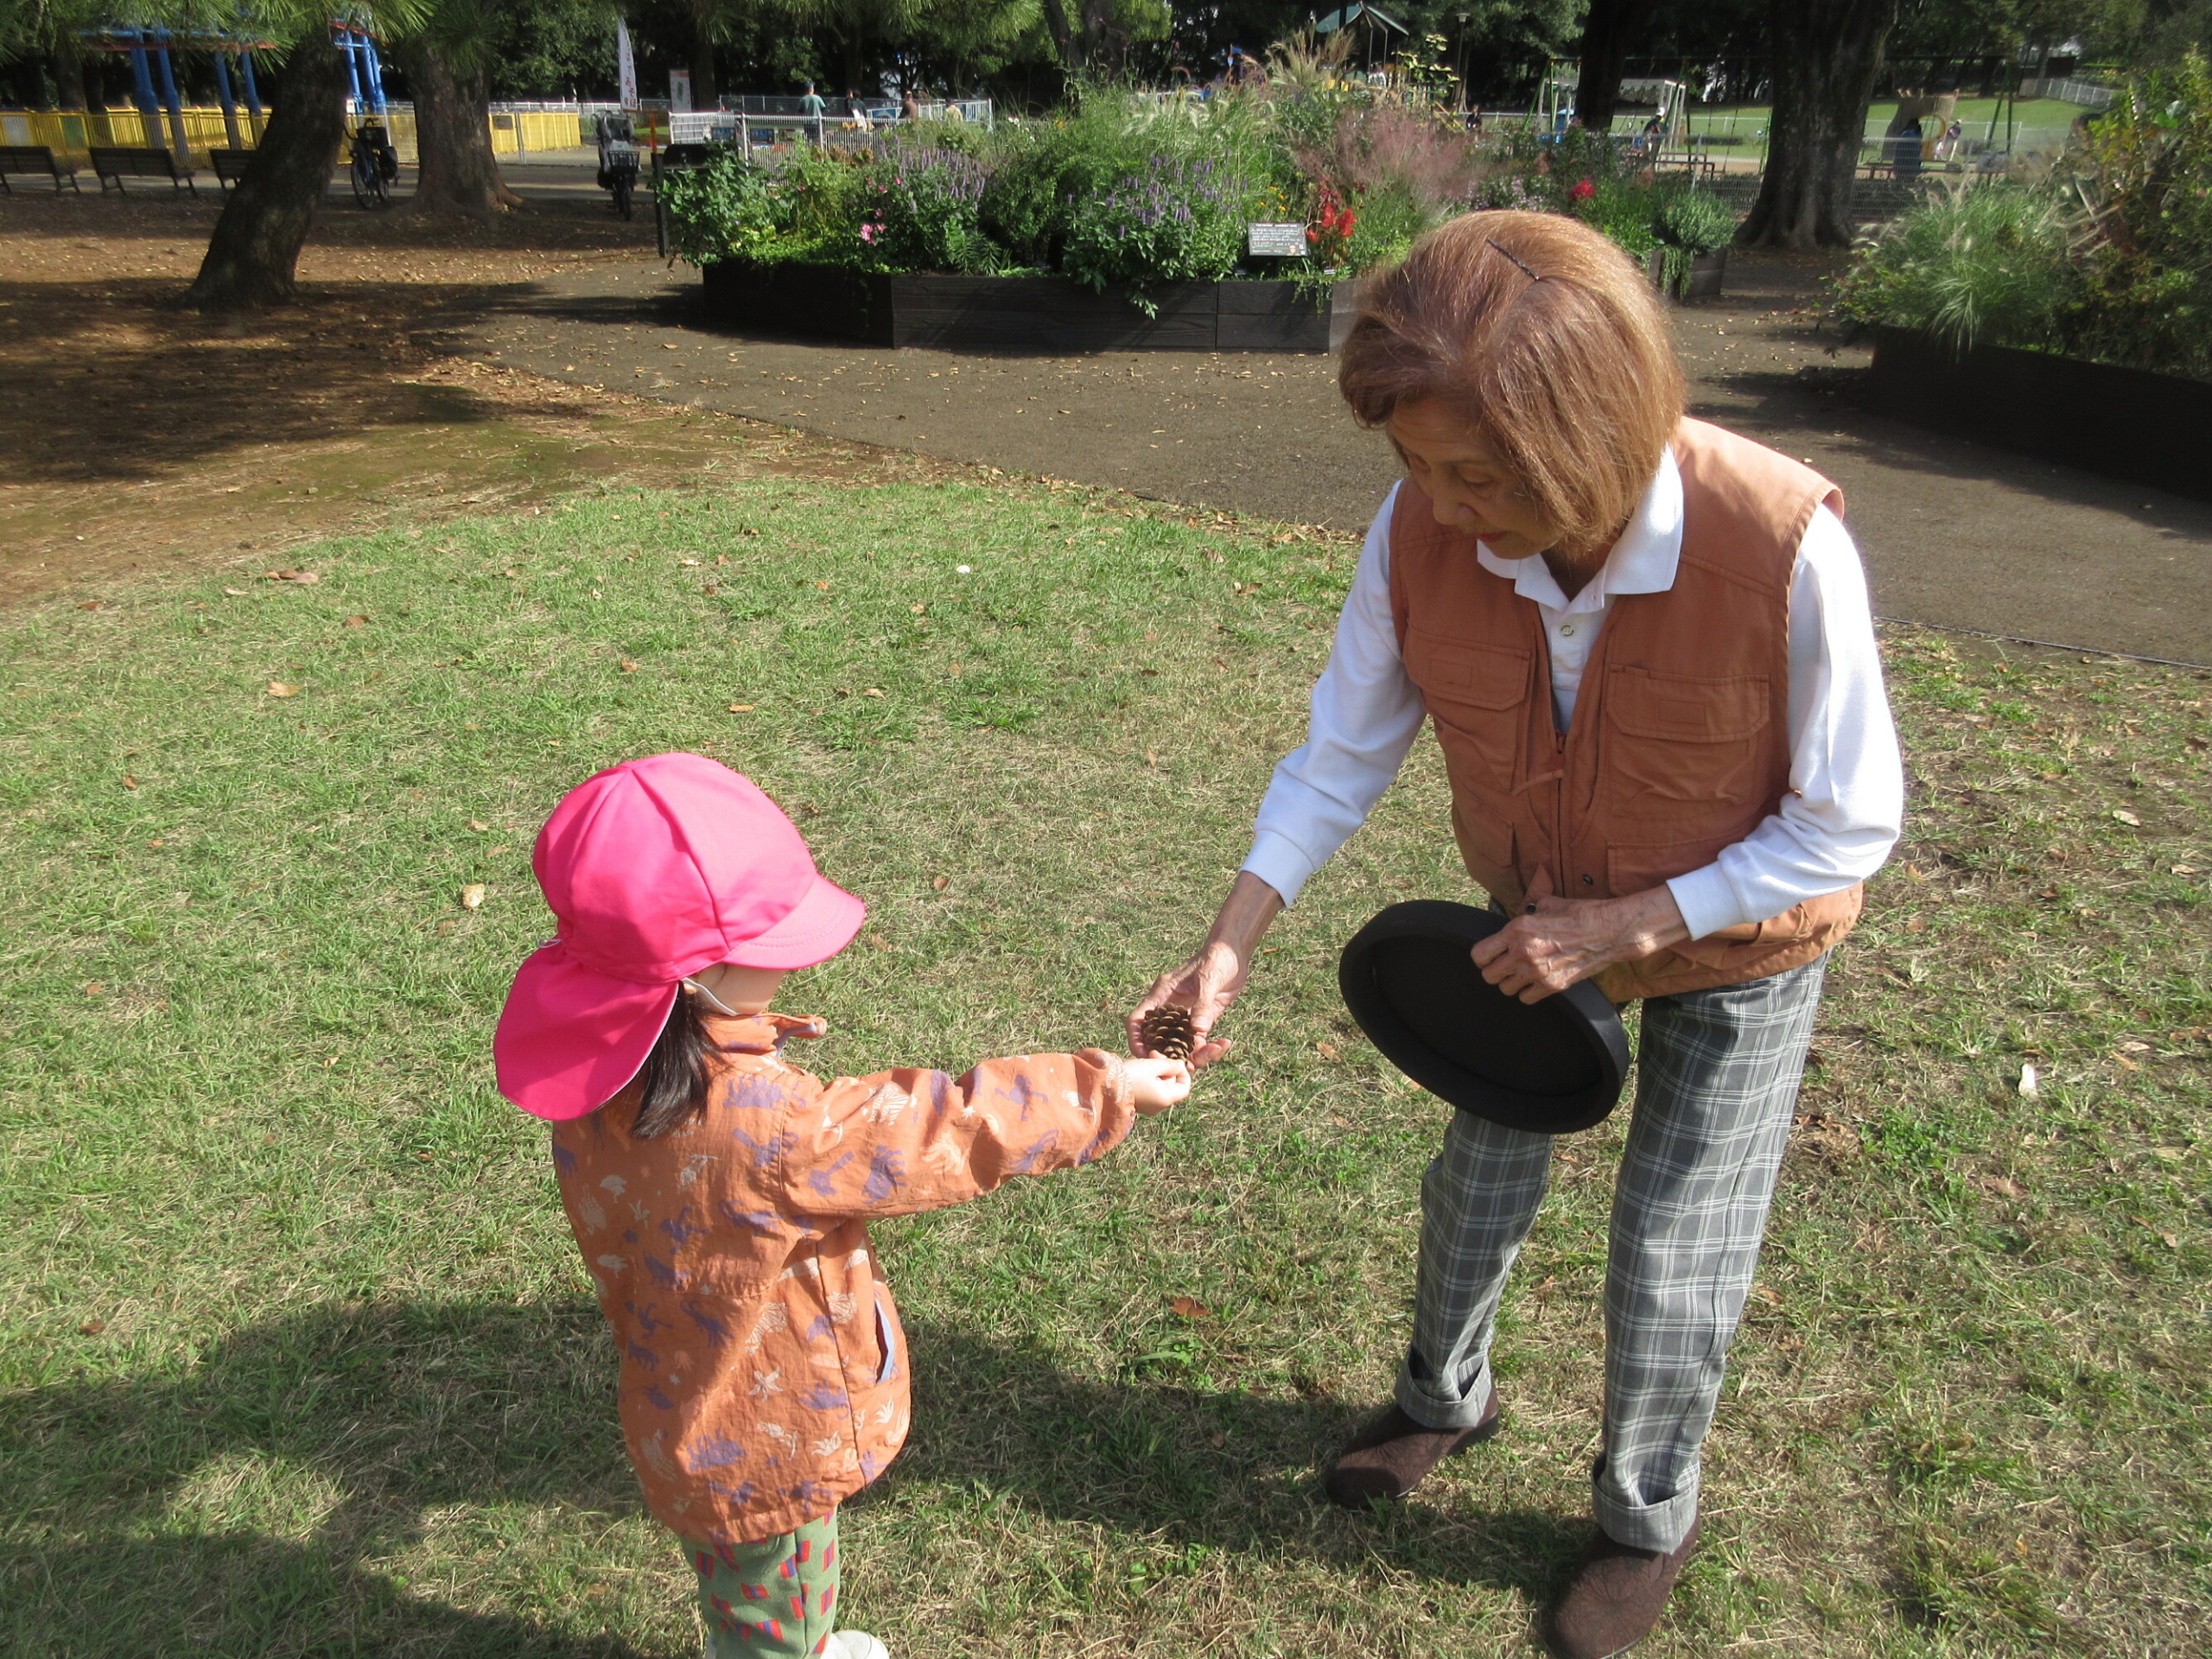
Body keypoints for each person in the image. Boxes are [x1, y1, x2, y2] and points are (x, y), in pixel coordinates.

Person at [1130, 211, 1902, 1659]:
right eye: (1414, 464)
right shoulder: (1425, 521)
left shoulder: (1783, 539)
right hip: (1531, 925)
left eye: (1477, 471)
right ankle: (1443, 1398)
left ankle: (1642, 1518)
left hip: (1744, 946)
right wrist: (1231, 937)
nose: (1441, 501)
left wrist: (1634, 919)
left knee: (1675, 1247)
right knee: (1473, 1185)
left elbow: (1851, 821)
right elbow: (1343, 748)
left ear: (1594, 436)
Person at [498, 753, 1192, 1659]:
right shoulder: (777, 1125)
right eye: (770, 947)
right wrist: (1110, 1090)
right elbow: (943, 1124)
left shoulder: (598, 1066)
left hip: (679, 1395)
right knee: (779, 1599)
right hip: (767, 1440)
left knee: (744, 1586)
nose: (788, 965)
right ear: (691, 976)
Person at [799, 79, 827, 146]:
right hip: (817, 122)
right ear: (812, 89)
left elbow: (800, 110)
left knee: (808, 139)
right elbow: (823, 107)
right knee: (818, 139)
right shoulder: (817, 98)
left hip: (807, 123)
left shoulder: (803, 99)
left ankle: (809, 151)